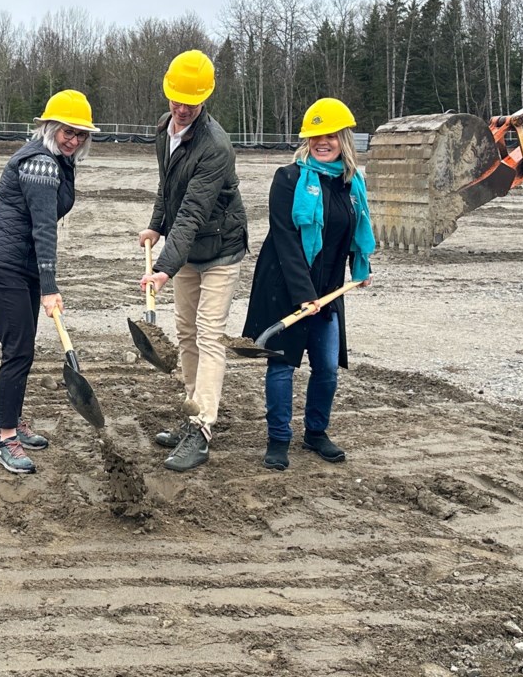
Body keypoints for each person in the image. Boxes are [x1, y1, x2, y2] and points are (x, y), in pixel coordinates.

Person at [241, 97, 375, 471]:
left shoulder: (351, 183)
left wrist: (360, 266)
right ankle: (278, 440)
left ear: (343, 139)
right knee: (282, 366)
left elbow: (354, 230)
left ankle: (316, 433)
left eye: (330, 135)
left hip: (328, 290)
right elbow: (286, 239)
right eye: (316, 136)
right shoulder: (289, 179)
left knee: (327, 367)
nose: (322, 142)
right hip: (285, 285)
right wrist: (303, 296)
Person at [0, 89, 99, 475]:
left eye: (80, 134)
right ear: (50, 127)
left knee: (22, 349)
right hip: (2, 266)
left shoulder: (60, 160)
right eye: (67, 131)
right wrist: (49, 286)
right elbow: (44, 228)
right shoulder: (41, 164)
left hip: (19, 265)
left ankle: (14, 420)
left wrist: (42, 281)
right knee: (18, 351)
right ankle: (5, 438)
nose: (73, 140)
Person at [140, 50, 249, 473]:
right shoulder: (164, 129)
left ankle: (202, 429)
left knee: (208, 335)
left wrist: (163, 268)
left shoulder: (215, 146)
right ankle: (191, 413)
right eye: (177, 99)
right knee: (185, 333)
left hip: (220, 249)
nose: (182, 109)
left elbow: (192, 212)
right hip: (187, 250)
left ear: (205, 98)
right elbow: (168, 189)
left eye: (191, 101)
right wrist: (155, 226)